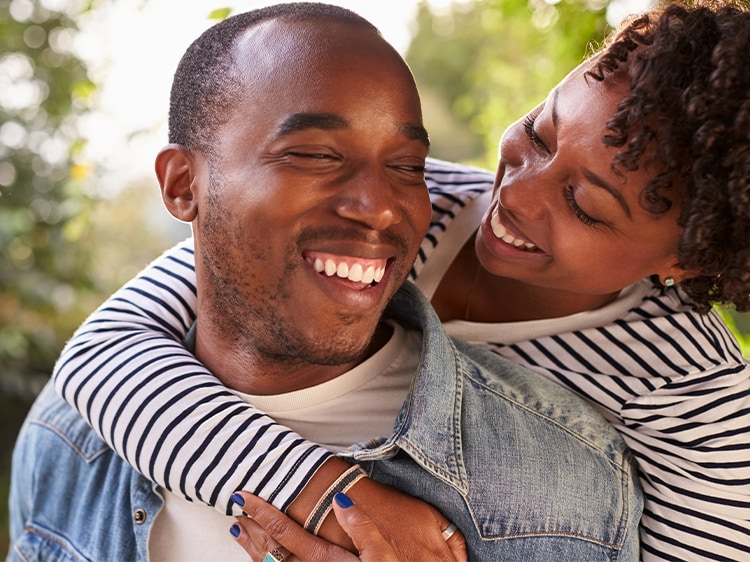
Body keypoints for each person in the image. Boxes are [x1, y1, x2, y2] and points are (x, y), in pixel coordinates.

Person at [42, 0, 750, 560]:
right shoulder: (416, 202)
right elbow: (108, 351)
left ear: (683, 261)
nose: (520, 194)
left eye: (584, 206)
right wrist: (323, 493)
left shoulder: (700, 412)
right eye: (539, 133)